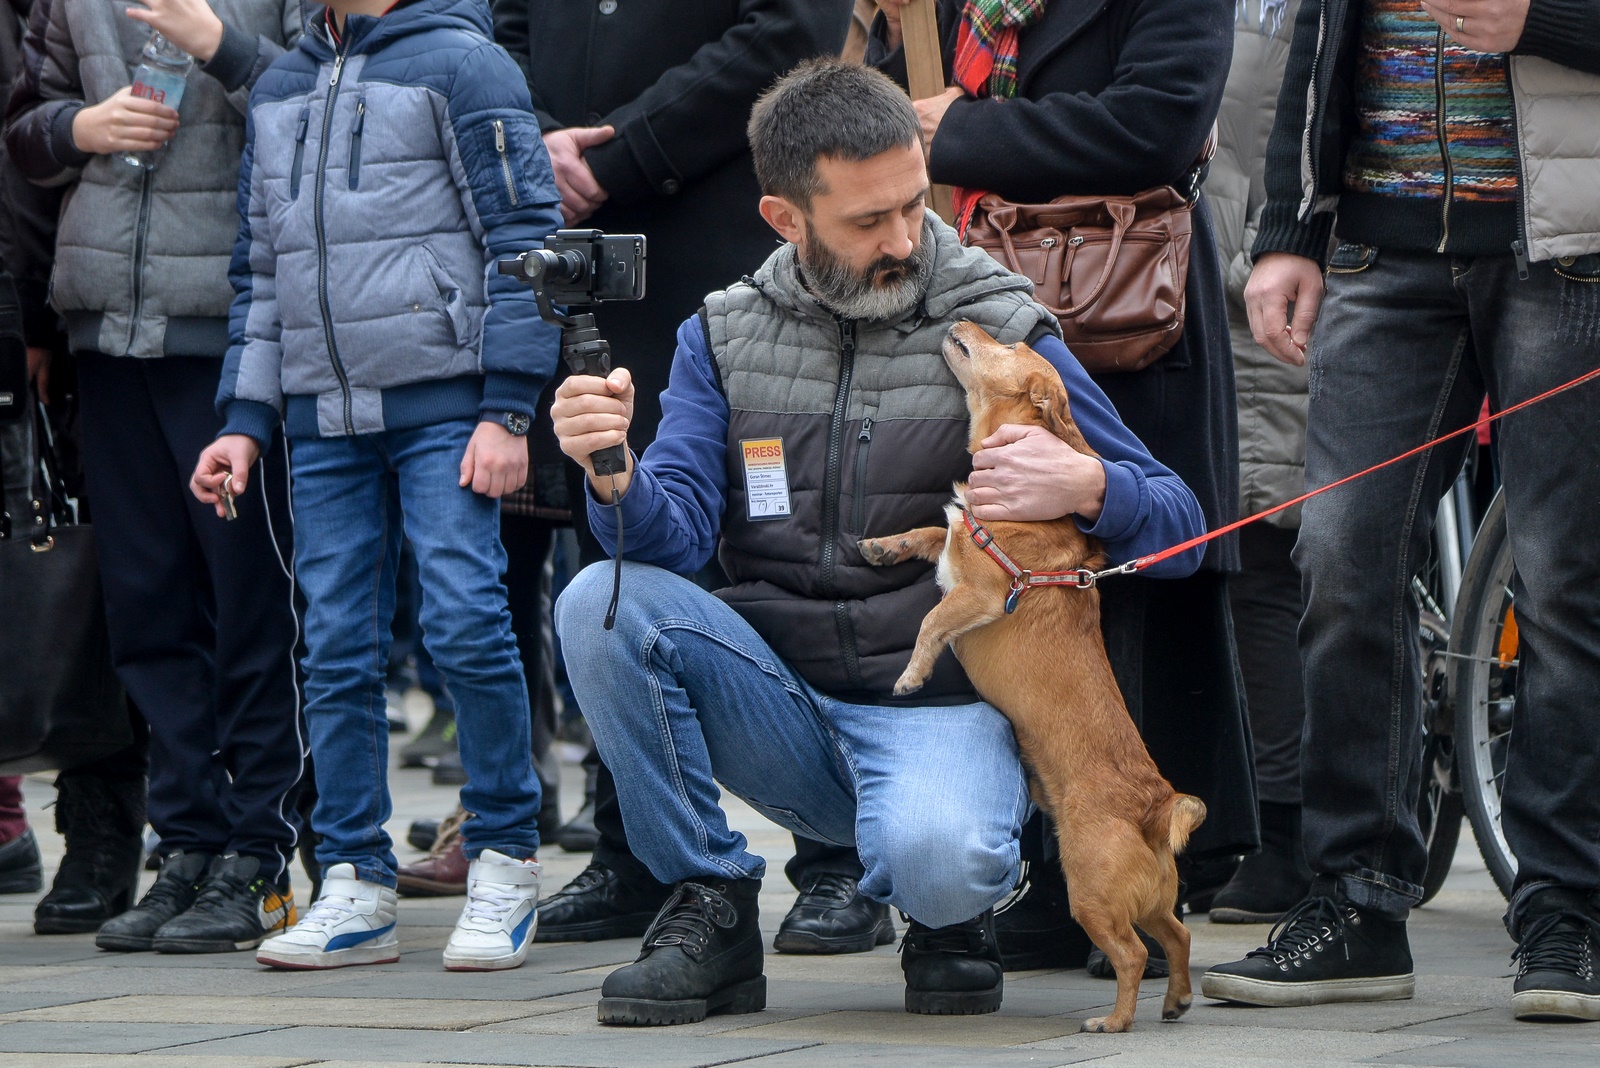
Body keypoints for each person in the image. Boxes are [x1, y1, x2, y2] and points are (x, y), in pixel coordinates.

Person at [550, 59, 1207, 1025]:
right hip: (780, 697)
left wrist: (1093, 485)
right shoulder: (722, 334)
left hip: (936, 704)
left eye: (913, 204)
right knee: (595, 603)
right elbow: (674, 536)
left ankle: (950, 913)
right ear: (786, 219)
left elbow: (1183, 525)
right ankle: (711, 901)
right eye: (868, 222)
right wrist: (611, 465)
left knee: (943, 866)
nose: (905, 239)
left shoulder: (998, 324)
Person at [1200, 0, 1600, 1023]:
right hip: (1381, 246)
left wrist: (1539, 19)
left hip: (1566, 249)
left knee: (1563, 582)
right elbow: (1316, 46)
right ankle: (1355, 900)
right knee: (1336, 555)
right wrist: (1289, 228)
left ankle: (1569, 913)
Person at [869, 0, 1258, 973]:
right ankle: (1044, 878)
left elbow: (1156, 122)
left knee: (1125, 598)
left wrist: (956, 131)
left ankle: (1129, 871)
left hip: (1123, 307)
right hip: (978, 296)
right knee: (1010, 595)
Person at [489, 0, 884, 955]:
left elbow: (790, 28)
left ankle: (838, 864)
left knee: (776, 541)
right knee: (613, 537)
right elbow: (507, 26)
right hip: (589, 246)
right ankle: (640, 854)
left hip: (717, 230)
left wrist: (615, 155)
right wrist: (542, 141)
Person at [190, 0, 560, 973]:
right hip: (320, 419)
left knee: (466, 620)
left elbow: (527, 239)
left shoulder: (467, 65)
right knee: (334, 645)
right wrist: (244, 422)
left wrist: (508, 408)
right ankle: (352, 879)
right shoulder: (278, 83)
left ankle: (505, 860)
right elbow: (261, 274)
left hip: (449, 406)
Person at [5, 0, 305, 950]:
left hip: (230, 327)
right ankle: (187, 843)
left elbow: (330, 108)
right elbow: (26, 122)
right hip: (104, 322)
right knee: (146, 607)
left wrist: (220, 45)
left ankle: (260, 850)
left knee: (249, 602)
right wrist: (77, 127)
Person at [1204, 0, 1317, 924]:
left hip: (1266, 287)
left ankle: (1292, 831)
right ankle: (1228, 821)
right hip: (1184, 287)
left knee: (1267, 559)